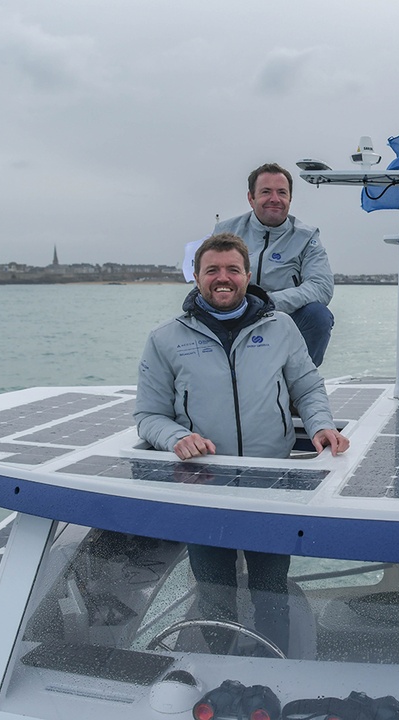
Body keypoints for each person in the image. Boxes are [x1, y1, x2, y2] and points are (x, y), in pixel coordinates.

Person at [135, 233, 349, 655]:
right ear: (196, 276)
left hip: (272, 486)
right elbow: (148, 416)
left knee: (271, 591)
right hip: (203, 488)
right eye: (212, 270)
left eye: (232, 269)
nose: (223, 278)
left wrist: (322, 424)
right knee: (215, 594)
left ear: (248, 276)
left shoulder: (281, 327)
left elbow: (306, 386)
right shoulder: (165, 340)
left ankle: (272, 668)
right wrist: (177, 437)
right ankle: (221, 668)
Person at [214, 163, 335, 366]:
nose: (275, 199)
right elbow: (207, 281)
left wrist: (268, 303)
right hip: (234, 315)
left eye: (282, 192)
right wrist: (241, 306)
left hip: (285, 317)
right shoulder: (225, 231)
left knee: (319, 316)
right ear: (251, 198)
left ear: (290, 199)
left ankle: (299, 387)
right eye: (266, 192)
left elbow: (321, 287)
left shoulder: (306, 236)